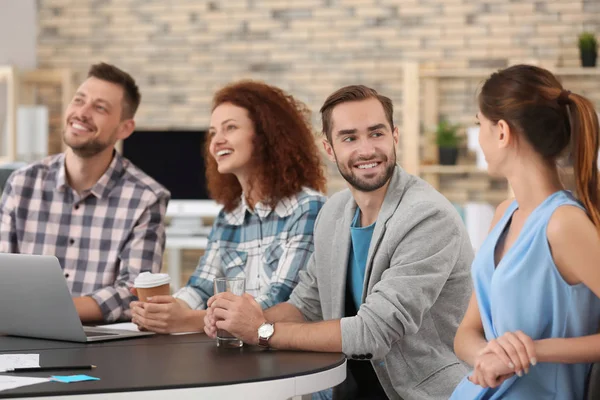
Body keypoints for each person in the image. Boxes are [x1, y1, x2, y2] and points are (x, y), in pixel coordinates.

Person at [204, 85, 474, 400]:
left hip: (415, 394)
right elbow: (306, 304)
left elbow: (373, 332)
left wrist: (263, 332)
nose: (367, 150)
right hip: (342, 388)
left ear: (395, 136)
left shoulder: (427, 217)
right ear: (329, 149)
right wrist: (240, 319)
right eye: (349, 138)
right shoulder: (334, 212)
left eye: (376, 134)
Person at [450, 64, 600, 399]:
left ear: (501, 132)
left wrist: (534, 350)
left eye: (480, 126)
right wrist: (487, 357)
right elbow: (466, 333)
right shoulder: (503, 215)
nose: (479, 138)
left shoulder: (563, 224)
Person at [131, 81, 327, 334]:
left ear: (266, 136)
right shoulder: (229, 216)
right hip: (238, 348)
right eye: (213, 133)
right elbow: (201, 286)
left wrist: (187, 320)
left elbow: (281, 300)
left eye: (230, 128)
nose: (217, 141)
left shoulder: (307, 209)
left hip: (287, 352)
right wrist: (165, 310)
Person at [0, 62, 170, 323]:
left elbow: (135, 292)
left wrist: (46, 311)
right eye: (79, 100)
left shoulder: (146, 198)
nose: (82, 112)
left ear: (124, 128)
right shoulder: (21, 184)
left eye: (100, 108)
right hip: (20, 334)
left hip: (101, 346)